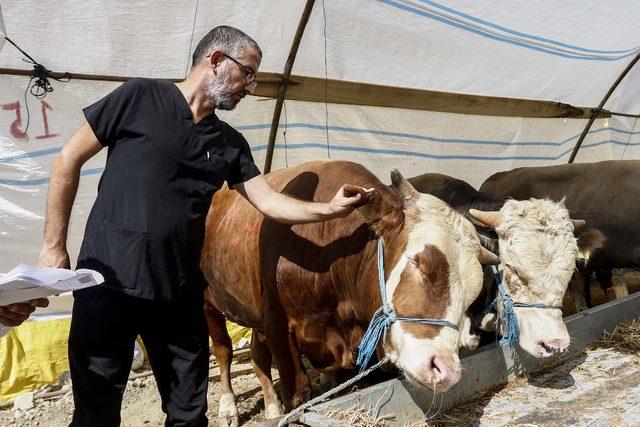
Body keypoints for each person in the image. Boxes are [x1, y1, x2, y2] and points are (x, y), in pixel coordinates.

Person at [34, 25, 370, 427]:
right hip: (107, 284)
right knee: (95, 415)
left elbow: (269, 202)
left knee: (189, 414)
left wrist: (330, 211)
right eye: (248, 73)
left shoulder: (229, 143)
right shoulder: (140, 96)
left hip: (177, 296)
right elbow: (67, 159)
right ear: (215, 60)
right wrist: (54, 246)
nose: (251, 86)